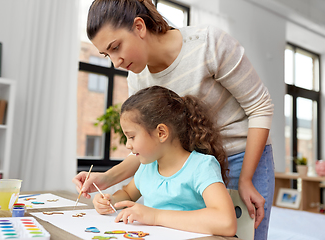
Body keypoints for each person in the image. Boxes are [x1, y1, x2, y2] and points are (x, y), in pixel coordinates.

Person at [73, 0, 275, 239]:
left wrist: (247, 178)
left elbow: (260, 106)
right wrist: (106, 179)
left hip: (242, 156)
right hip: (185, 164)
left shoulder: (208, 43)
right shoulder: (137, 78)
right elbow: (147, 143)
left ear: (139, 27)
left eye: (116, 47)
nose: (115, 62)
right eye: (107, 54)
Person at [93, 86, 237, 236]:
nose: (128, 145)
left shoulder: (201, 166)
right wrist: (110, 201)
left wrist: (155, 216)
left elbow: (226, 222)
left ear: (161, 133)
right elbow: (128, 194)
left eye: (132, 137)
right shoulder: (147, 167)